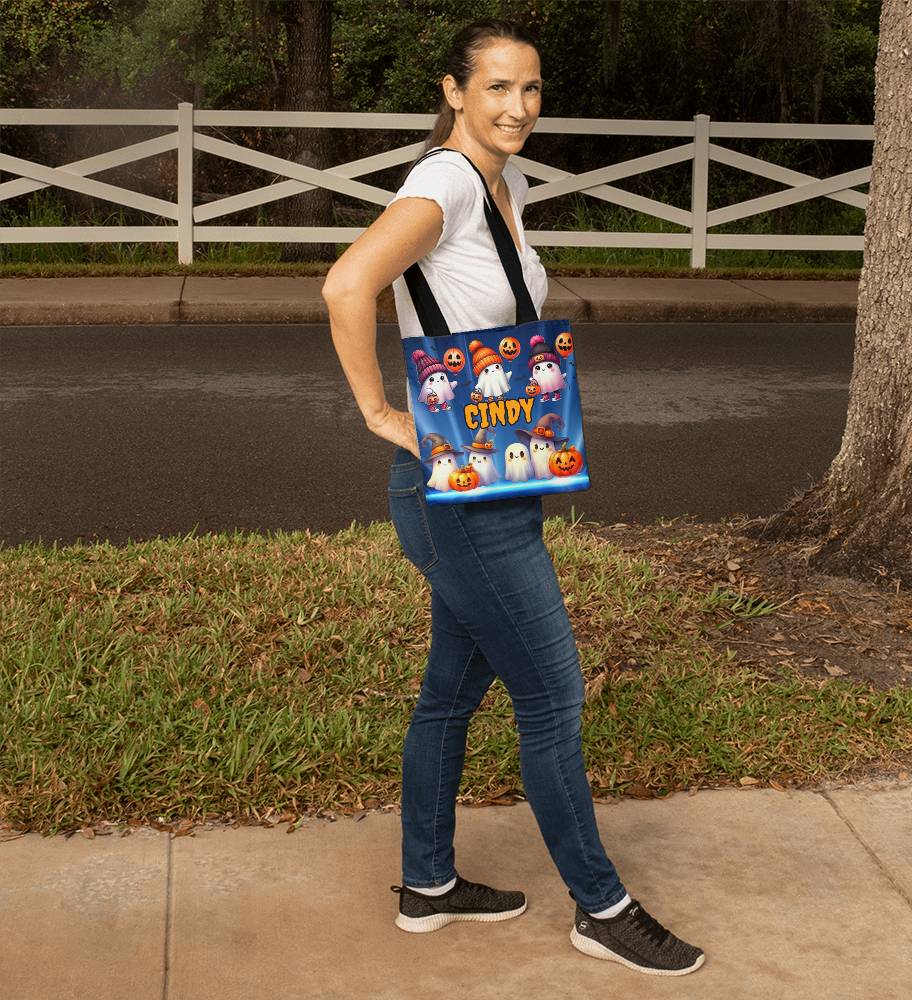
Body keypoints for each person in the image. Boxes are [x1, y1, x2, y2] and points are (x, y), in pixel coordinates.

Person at [322, 17, 705, 978]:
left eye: (530, 89)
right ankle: (602, 907)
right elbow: (348, 284)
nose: (517, 107)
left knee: (452, 690)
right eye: (495, 88)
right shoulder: (447, 182)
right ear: (453, 91)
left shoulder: (503, 181)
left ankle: (428, 886)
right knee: (553, 694)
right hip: (458, 494)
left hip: (490, 479)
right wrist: (378, 409)